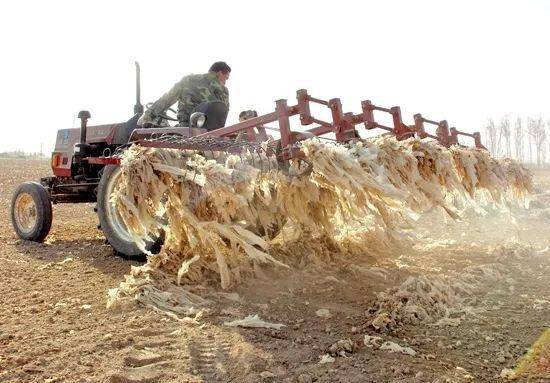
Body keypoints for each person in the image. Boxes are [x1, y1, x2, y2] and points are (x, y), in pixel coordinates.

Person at [138, 61, 230, 127]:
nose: (225, 82)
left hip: (186, 128)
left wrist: (147, 116)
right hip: (212, 133)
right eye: (226, 78)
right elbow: (223, 116)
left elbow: (167, 99)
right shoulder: (224, 91)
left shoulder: (189, 80)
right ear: (220, 73)